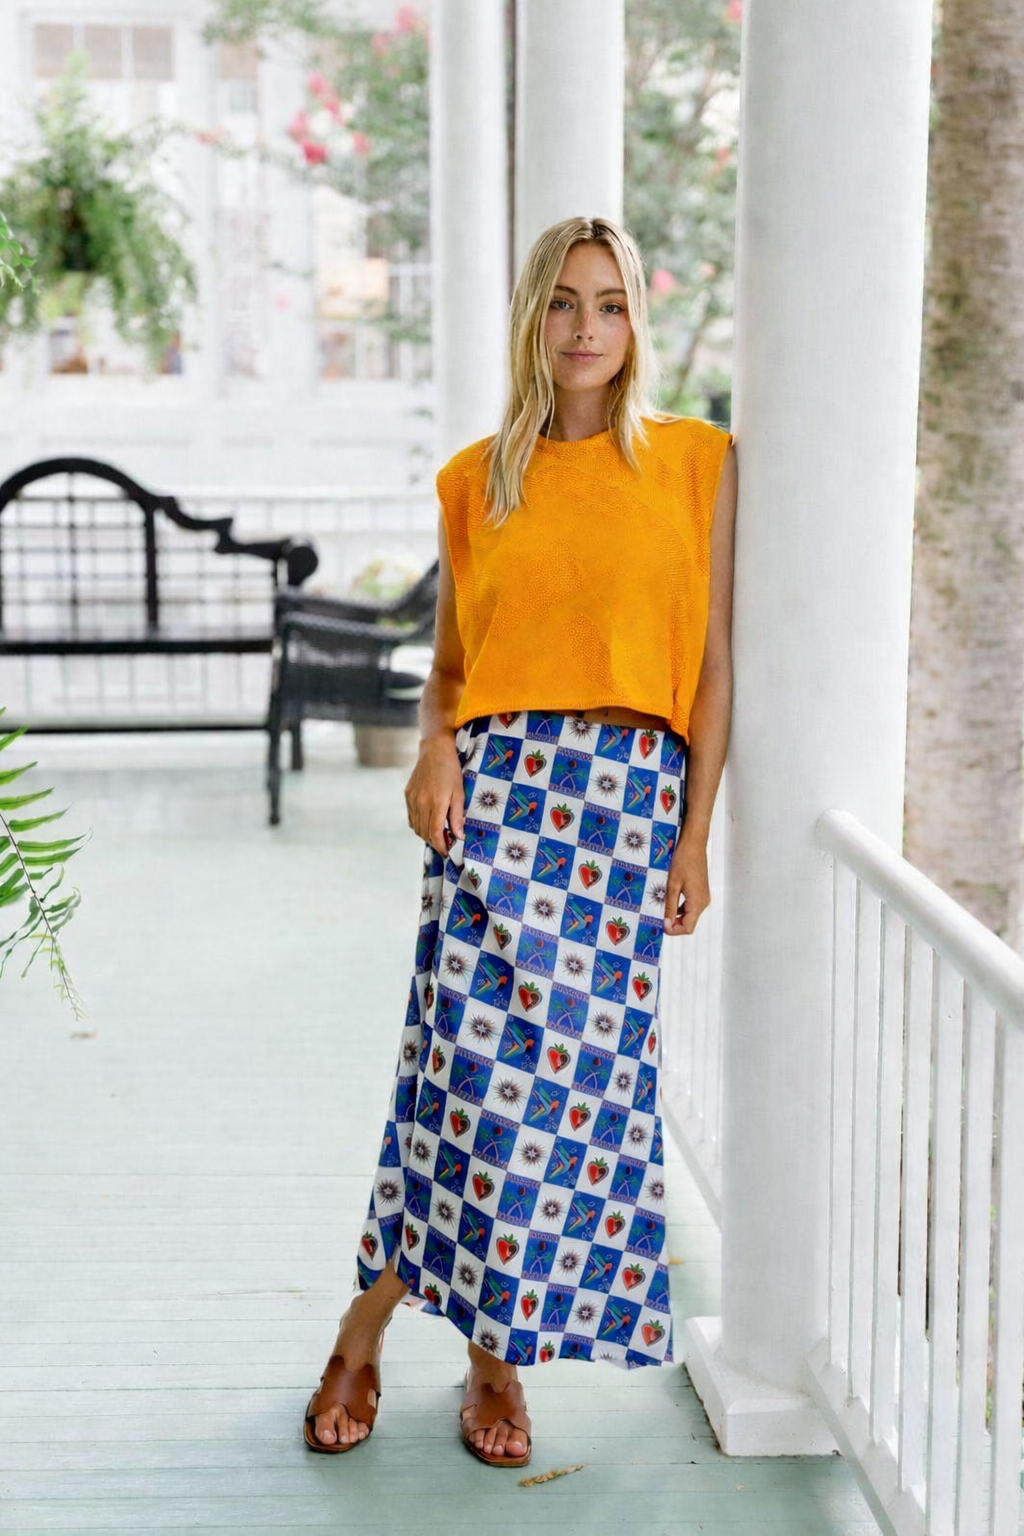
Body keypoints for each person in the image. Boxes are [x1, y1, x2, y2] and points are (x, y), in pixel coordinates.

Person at [303, 214, 738, 1467]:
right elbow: (448, 671)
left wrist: (693, 835)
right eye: (562, 305)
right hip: (493, 806)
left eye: (608, 305)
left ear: (637, 322)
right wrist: (436, 748)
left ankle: (469, 1350)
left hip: (622, 819)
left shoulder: (697, 465)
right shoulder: (474, 479)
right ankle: (389, 1337)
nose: (586, 330)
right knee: (458, 1085)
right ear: (529, 321)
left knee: (575, 1108)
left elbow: (710, 674)